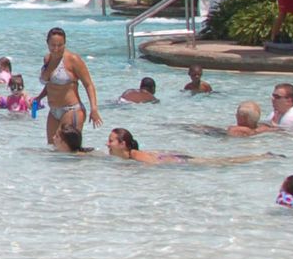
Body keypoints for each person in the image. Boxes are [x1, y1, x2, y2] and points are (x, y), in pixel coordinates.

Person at [40, 26, 101, 149]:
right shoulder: (47, 59)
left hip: (71, 110)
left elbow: (88, 84)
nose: (56, 49)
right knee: (52, 150)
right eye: (53, 45)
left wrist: (94, 109)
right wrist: (39, 97)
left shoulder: (73, 60)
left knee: (69, 153)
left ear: (65, 44)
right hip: (53, 111)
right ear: (47, 43)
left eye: (60, 45)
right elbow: (50, 84)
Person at [107, 127, 277, 165]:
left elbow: (155, 165)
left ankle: (261, 157)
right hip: (176, 158)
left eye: (111, 141)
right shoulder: (129, 155)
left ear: (123, 144)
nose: (108, 144)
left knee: (222, 162)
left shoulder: (135, 156)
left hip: (180, 162)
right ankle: (260, 156)